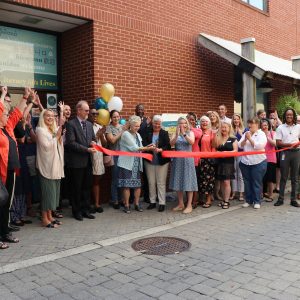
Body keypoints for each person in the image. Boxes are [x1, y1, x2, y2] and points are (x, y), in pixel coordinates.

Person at [0, 86, 29, 247]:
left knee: (6, 204)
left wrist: (25, 98)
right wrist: (3, 94)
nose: (7, 115)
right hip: (1, 173)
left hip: (10, 171)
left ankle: (5, 232)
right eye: (4, 114)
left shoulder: (8, 127)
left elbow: (17, 113)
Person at [65, 100, 97, 221]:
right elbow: (71, 143)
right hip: (76, 162)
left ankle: (86, 210)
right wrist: (87, 149)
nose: (88, 112)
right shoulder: (71, 124)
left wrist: (93, 143)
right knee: (76, 188)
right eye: (86, 110)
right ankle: (76, 211)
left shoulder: (89, 124)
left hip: (87, 162)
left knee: (86, 187)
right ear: (78, 110)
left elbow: (92, 139)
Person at [36, 104, 65, 228]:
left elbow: (59, 130)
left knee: (53, 192)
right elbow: (47, 146)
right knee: (47, 193)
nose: (50, 118)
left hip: (56, 165)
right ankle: (44, 218)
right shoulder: (40, 130)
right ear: (43, 117)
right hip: (46, 166)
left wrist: (62, 112)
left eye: (52, 116)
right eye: (47, 115)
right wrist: (57, 136)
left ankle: (50, 216)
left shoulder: (52, 129)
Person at [118, 115, 153, 213]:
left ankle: (136, 204)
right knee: (127, 185)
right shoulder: (125, 134)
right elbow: (134, 148)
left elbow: (140, 147)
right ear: (130, 125)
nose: (137, 128)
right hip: (127, 164)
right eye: (135, 126)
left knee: (137, 185)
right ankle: (127, 205)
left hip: (136, 163)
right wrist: (148, 149)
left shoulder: (138, 134)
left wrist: (148, 146)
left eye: (138, 126)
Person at [169, 117, 198, 214]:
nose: (182, 125)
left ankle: (189, 205)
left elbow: (192, 142)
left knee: (188, 181)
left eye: (184, 123)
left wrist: (184, 133)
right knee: (178, 182)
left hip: (187, 160)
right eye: (180, 123)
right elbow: (171, 144)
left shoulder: (190, 132)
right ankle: (181, 203)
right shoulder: (175, 133)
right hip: (177, 161)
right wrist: (177, 134)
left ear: (187, 124)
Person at [143, 115, 171, 212]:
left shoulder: (164, 133)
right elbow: (143, 145)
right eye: (155, 123)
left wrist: (161, 149)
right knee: (151, 182)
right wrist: (149, 148)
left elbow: (168, 146)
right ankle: (152, 202)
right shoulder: (147, 132)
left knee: (161, 183)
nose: (157, 125)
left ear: (161, 124)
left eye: (159, 124)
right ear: (152, 123)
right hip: (149, 160)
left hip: (162, 161)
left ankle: (162, 203)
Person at [238, 117, 267, 209]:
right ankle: (248, 200)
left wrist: (250, 139)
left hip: (258, 162)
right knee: (247, 182)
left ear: (257, 125)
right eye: (249, 123)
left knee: (256, 182)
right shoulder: (246, 133)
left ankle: (257, 201)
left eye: (252, 123)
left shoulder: (261, 134)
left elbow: (259, 146)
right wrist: (245, 139)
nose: (249, 125)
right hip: (245, 162)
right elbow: (240, 145)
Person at [274, 108, 300, 207]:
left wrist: (296, 145)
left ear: (294, 116)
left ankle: (293, 199)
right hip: (285, 153)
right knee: (283, 176)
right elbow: (278, 143)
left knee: (295, 177)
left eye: (291, 115)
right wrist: (290, 145)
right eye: (287, 115)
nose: (289, 116)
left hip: (296, 153)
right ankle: (280, 199)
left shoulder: (298, 127)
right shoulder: (280, 127)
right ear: (285, 116)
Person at [105, 110, 127, 209]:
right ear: (111, 118)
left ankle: (122, 199)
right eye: (114, 117)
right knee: (115, 179)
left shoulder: (122, 127)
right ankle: (115, 200)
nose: (116, 118)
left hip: (123, 156)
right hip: (114, 156)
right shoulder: (109, 128)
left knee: (122, 178)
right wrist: (123, 131)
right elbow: (112, 140)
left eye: (118, 116)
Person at [213, 122, 237, 208]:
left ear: (229, 128)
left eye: (225, 127)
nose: (224, 129)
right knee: (222, 182)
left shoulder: (233, 138)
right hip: (219, 163)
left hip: (228, 163)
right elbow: (214, 149)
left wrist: (226, 152)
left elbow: (235, 151)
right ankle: (224, 199)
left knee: (227, 182)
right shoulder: (218, 138)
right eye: (222, 127)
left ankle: (227, 201)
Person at [198, 115, 216, 208]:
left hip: (208, 159)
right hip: (198, 159)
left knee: (208, 180)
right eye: (202, 121)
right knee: (200, 179)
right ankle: (200, 199)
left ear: (209, 123)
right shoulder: (198, 132)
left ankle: (208, 199)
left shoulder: (212, 132)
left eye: (206, 121)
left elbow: (214, 146)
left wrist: (212, 157)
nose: (204, 123)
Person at [135, 104, 151, 203]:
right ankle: (132, 198)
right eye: (139, 109)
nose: (141, 110)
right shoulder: (134, 119)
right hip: (136, 149)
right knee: (135, 174)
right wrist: (146, 124)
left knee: (146, 175)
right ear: (136, 110)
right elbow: (138, 129)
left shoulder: (146, 120)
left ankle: (146, 196)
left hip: (145, 149)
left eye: (142, 109)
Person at [91, 108, 106, 213]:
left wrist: (101, 135)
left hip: (99, 157)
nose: (95, 115)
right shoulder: (86, 126)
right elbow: (88, 142)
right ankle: (91, 204)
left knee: (97, 180)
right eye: (93, 114)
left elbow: (104, 143)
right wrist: (97, 135)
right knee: (91, 181)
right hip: (90, 157)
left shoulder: (99, 126)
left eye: (97, 114)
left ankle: (96, 203)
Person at [187, 112, 202, 208]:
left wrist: (188, 128)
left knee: (195, 180)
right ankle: (188, 199)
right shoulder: (182, 130)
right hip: (185, 159)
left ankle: (195, 200)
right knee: (187, 180)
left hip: (195, 159)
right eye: (189, 119)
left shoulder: (197, 130)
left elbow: (197, 136)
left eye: (193, 119)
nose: (191, 121)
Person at [260, 118, 277, 202]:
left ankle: (271, 195)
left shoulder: (273, 133)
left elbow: (274, 144)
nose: (264, 127)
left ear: (269, 126)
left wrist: (267, 136)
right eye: (263, 125)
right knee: (262, 178)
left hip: (271, 159)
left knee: (270, 178)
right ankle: (262, 194)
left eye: (266, 125)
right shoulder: (259, 134)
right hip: (261, 158)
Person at [231, 113, 245, 201]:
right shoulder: (230, 130)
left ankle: (241, 193)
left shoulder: (244, 129)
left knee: (240, 174)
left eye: (237, 119)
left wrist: (240, 133)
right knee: (233, 174)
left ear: (240, 120)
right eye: (234, 119)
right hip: (232, 154)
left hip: (241, 154)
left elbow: (244, 142)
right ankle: (234, 192)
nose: (236, 121)